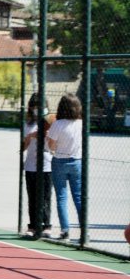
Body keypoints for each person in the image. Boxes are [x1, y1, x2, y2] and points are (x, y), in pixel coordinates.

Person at [47, 93, 82, 241]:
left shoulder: (58, 124)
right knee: (79, 197)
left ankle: (65, 231)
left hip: (60, 160)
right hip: (77, 161)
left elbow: (51, 145)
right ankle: (84, 230)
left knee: (61, 197)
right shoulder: (80, 123)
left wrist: (54, 147)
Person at [22, 94, 53, 238]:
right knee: (32, 197)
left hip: (47, 165)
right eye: (35, 107)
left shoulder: (51, 122)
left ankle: (46, 226)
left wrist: (47, 135)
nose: (38, 109)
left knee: (45, 197)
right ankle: (33, 226)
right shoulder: (28, 124)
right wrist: (29, 137)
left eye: (41, 106)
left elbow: (55, 145)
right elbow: (23, 147)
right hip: (30, 166)